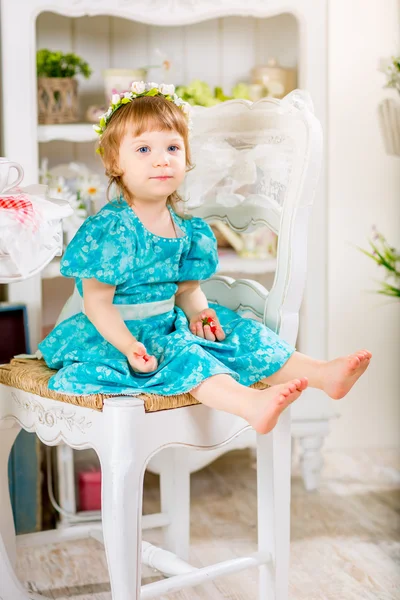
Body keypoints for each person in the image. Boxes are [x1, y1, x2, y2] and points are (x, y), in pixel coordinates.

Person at [38, 82, 371, 435]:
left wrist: (200, 313)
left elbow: (187, 289)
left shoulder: (186, 228)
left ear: (186, 156)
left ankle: (321, 374)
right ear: (114, 162)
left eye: (172, 147)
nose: (162, 158)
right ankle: (250, 404)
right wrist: (128, 345)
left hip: (167, 322)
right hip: (113, 334)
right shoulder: (111, 229)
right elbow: (97, 302)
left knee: (241, 331)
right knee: (188, 357)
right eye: (144, 149)